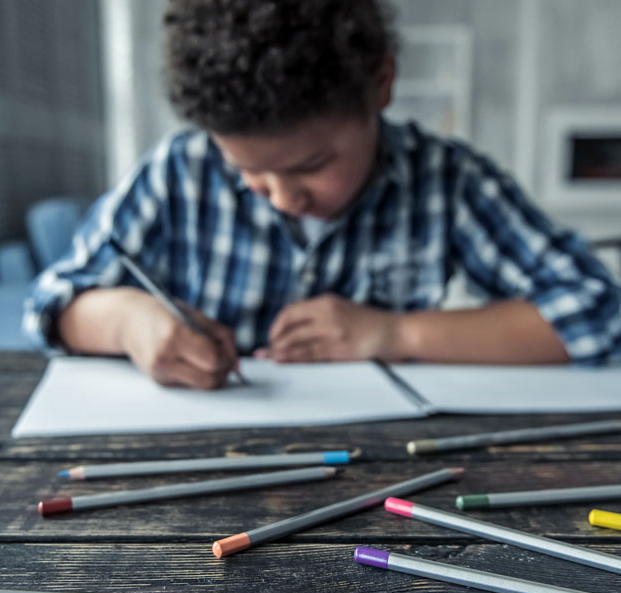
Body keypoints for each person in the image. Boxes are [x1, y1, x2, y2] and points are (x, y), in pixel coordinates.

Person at [23, 0, 621, 390]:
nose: (283, 198)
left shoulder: (445, 180)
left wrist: (396, 334)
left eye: (312, 164)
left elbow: (597, 310)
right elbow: (51, 303)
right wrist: (128, 320)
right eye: (248, 173)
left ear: (380, 86)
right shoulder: (180, 172)